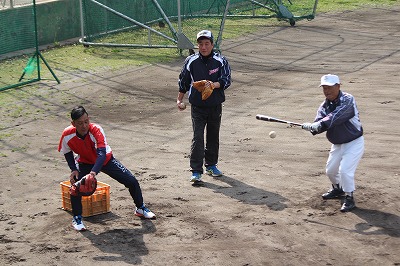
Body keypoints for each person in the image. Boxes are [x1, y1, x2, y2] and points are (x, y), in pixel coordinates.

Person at [58, 106, 155, 231]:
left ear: (89, 119)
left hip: (106, 160)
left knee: (132, 181)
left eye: (86, 121)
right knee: (75, 187)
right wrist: (73, 169)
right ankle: (77, 218)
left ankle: (140, 208)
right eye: (80, 123)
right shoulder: (67, 134)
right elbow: (67, 152)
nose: (84, 126)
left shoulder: (96, 130)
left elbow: (102, 154)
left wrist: (93, 173)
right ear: (73, 124)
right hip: (84, 162)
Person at [302, 74, 364, 212]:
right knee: (330, 171)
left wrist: (320, 124)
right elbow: (319, 122)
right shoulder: (324, 106)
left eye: (329, 87)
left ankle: (349, 197)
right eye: (324, 87)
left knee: (345, 171)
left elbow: (337, 116)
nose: (326, 91)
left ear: (338, 86)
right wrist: (312, 127)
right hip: (337, 144)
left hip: (354, 142)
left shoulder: (348, 99)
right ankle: (338, 189)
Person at [177, 30, 232, 183]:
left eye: (207, 44)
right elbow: (183, 81)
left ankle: (211, 165)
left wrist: (213, 85)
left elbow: (226, 80)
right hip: (197, 107)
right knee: (198, 137)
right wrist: (179, 100)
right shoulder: (191, 61)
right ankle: (196, 171)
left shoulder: (220, 60)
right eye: (200, 44)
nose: (203, 47)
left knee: (213, 136)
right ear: (198, 45)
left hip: (215, 106)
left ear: (212, 45)